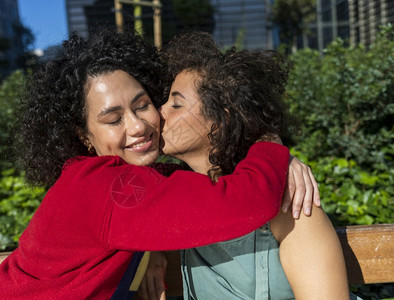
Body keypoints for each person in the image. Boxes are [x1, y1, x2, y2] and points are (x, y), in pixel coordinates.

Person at [0, 28, 316, 300]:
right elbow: (247, 200)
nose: (138, 126)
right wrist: (270, 144)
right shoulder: (102, 187)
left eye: (142, 105)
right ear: (83, 136)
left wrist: (150, 249)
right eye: (113, 119)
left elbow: (173, 189)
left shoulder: (103, 179)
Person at [139, 31, 351, 300]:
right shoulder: (178, 194)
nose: (160, 112)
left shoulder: (291, 201)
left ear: (220, 120)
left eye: (176, 104)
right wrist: (146, 250)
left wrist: (278, 152)